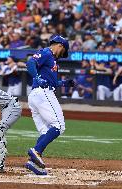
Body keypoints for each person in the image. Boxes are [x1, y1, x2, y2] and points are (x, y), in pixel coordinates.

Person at [25, 35, 75, 175]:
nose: (62, 54)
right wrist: (37, 77)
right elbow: (30, 63)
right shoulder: (47, 53)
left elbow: (51, 83)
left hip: (37, 96)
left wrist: (64, 83)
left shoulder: (52, 60)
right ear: (60, 45)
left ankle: (33, 163)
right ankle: (36, 151)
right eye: (63, 51)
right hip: (42, 94)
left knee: (46, 131)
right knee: (59, 126)